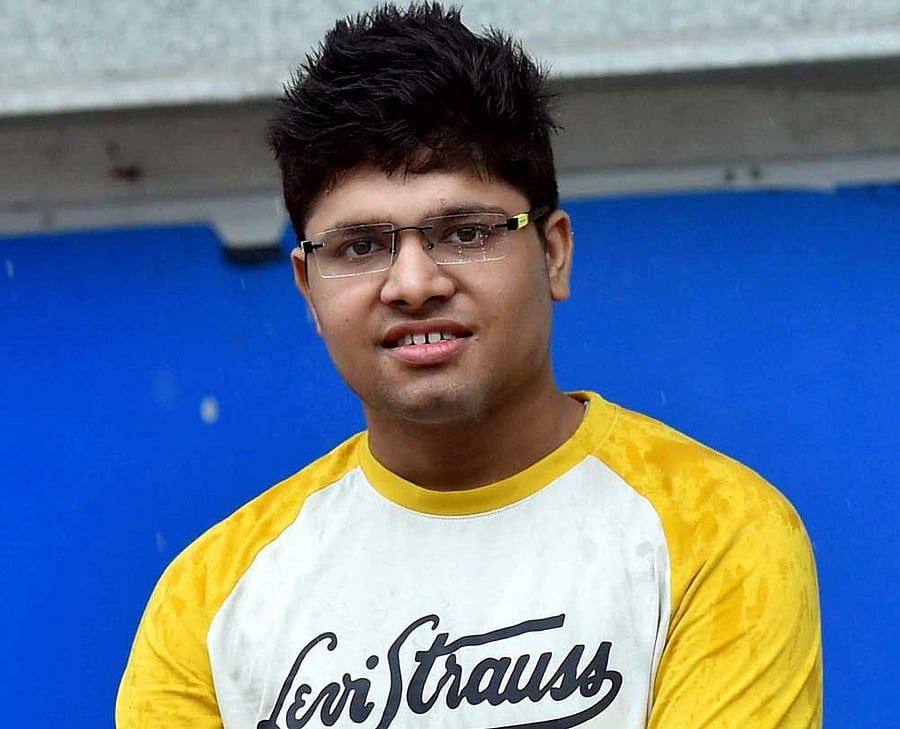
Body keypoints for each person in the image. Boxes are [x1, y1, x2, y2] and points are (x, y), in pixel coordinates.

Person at [116, 3, 822, 727]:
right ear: (308, 288)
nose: (414, 283)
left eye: (466, 231)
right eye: (360, 246)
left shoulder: (718, 535)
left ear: (553, 252)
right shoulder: (208, 600)